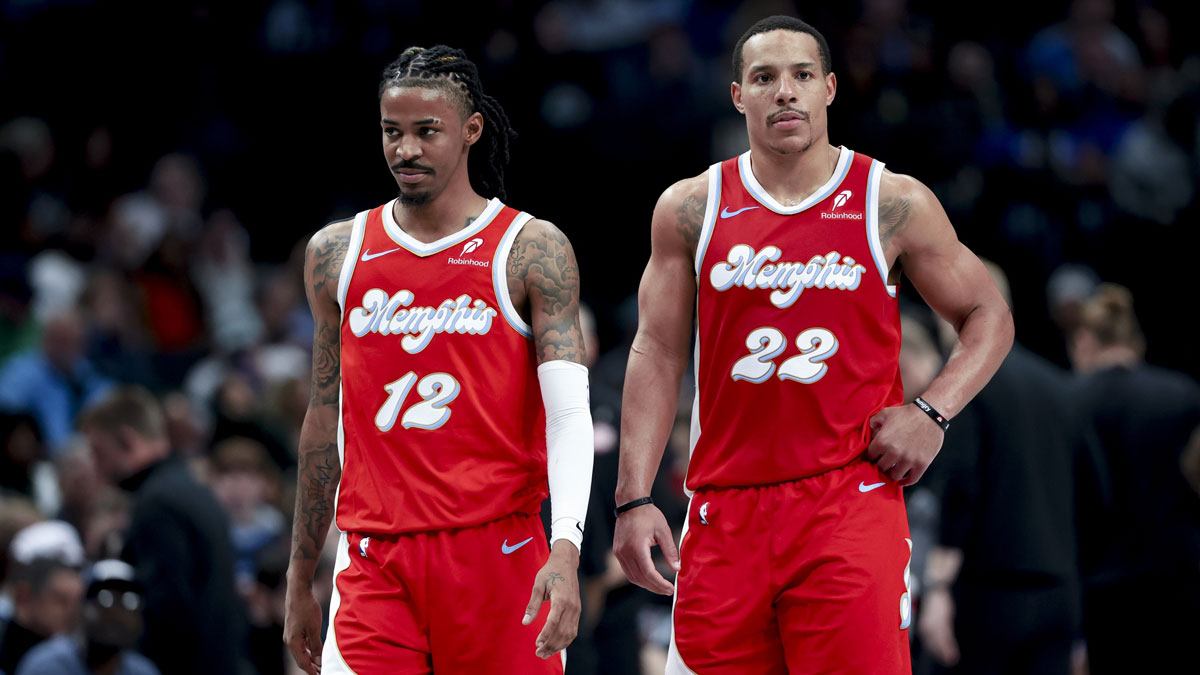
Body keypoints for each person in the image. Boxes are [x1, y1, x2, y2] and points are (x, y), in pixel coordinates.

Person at [612, 16, 1013, 674]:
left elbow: (988, 311)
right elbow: (655, 352)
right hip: (724, 507)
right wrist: (633, 498)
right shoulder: (689, 207)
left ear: (829, 88)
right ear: (739, 95)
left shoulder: (891, 199)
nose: (785, 92)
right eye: (765, 78)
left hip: (845, 501)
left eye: (801, 75)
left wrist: (933, 410)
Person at [282, 45, 594, 675]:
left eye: (427, 132)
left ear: (471, 130)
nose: (406, 151)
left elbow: (568, 415)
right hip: (376, 559)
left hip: (498, 552)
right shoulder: (336, 253)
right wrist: (299, 572)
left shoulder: (531, 249)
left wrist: (566, 546)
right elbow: (324, 422)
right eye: (392, 133)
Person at [916, 263, 1099, 675]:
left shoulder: (962, 384)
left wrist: (939, 589)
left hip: (987, 592)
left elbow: (962, 487)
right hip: (1059, 591)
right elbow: (1094, 492)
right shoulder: (1060, 386)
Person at [1067, 284, 1200, 674]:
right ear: (1136, 341)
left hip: (1100, 585)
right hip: (1180, 576)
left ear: (1085, 341)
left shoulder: (1069, 400)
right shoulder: (1184, 394)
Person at [77, 387, 245, 675]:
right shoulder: (191, 488)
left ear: (128, 441)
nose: (96, 466)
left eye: (99, 452)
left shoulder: (157, 505)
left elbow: (166, 609)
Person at [15, 559, 159, 675]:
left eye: (129, 602)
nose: (115, 613)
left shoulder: (143, 670)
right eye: (105, 599)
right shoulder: (47, 666)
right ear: (80, 607)